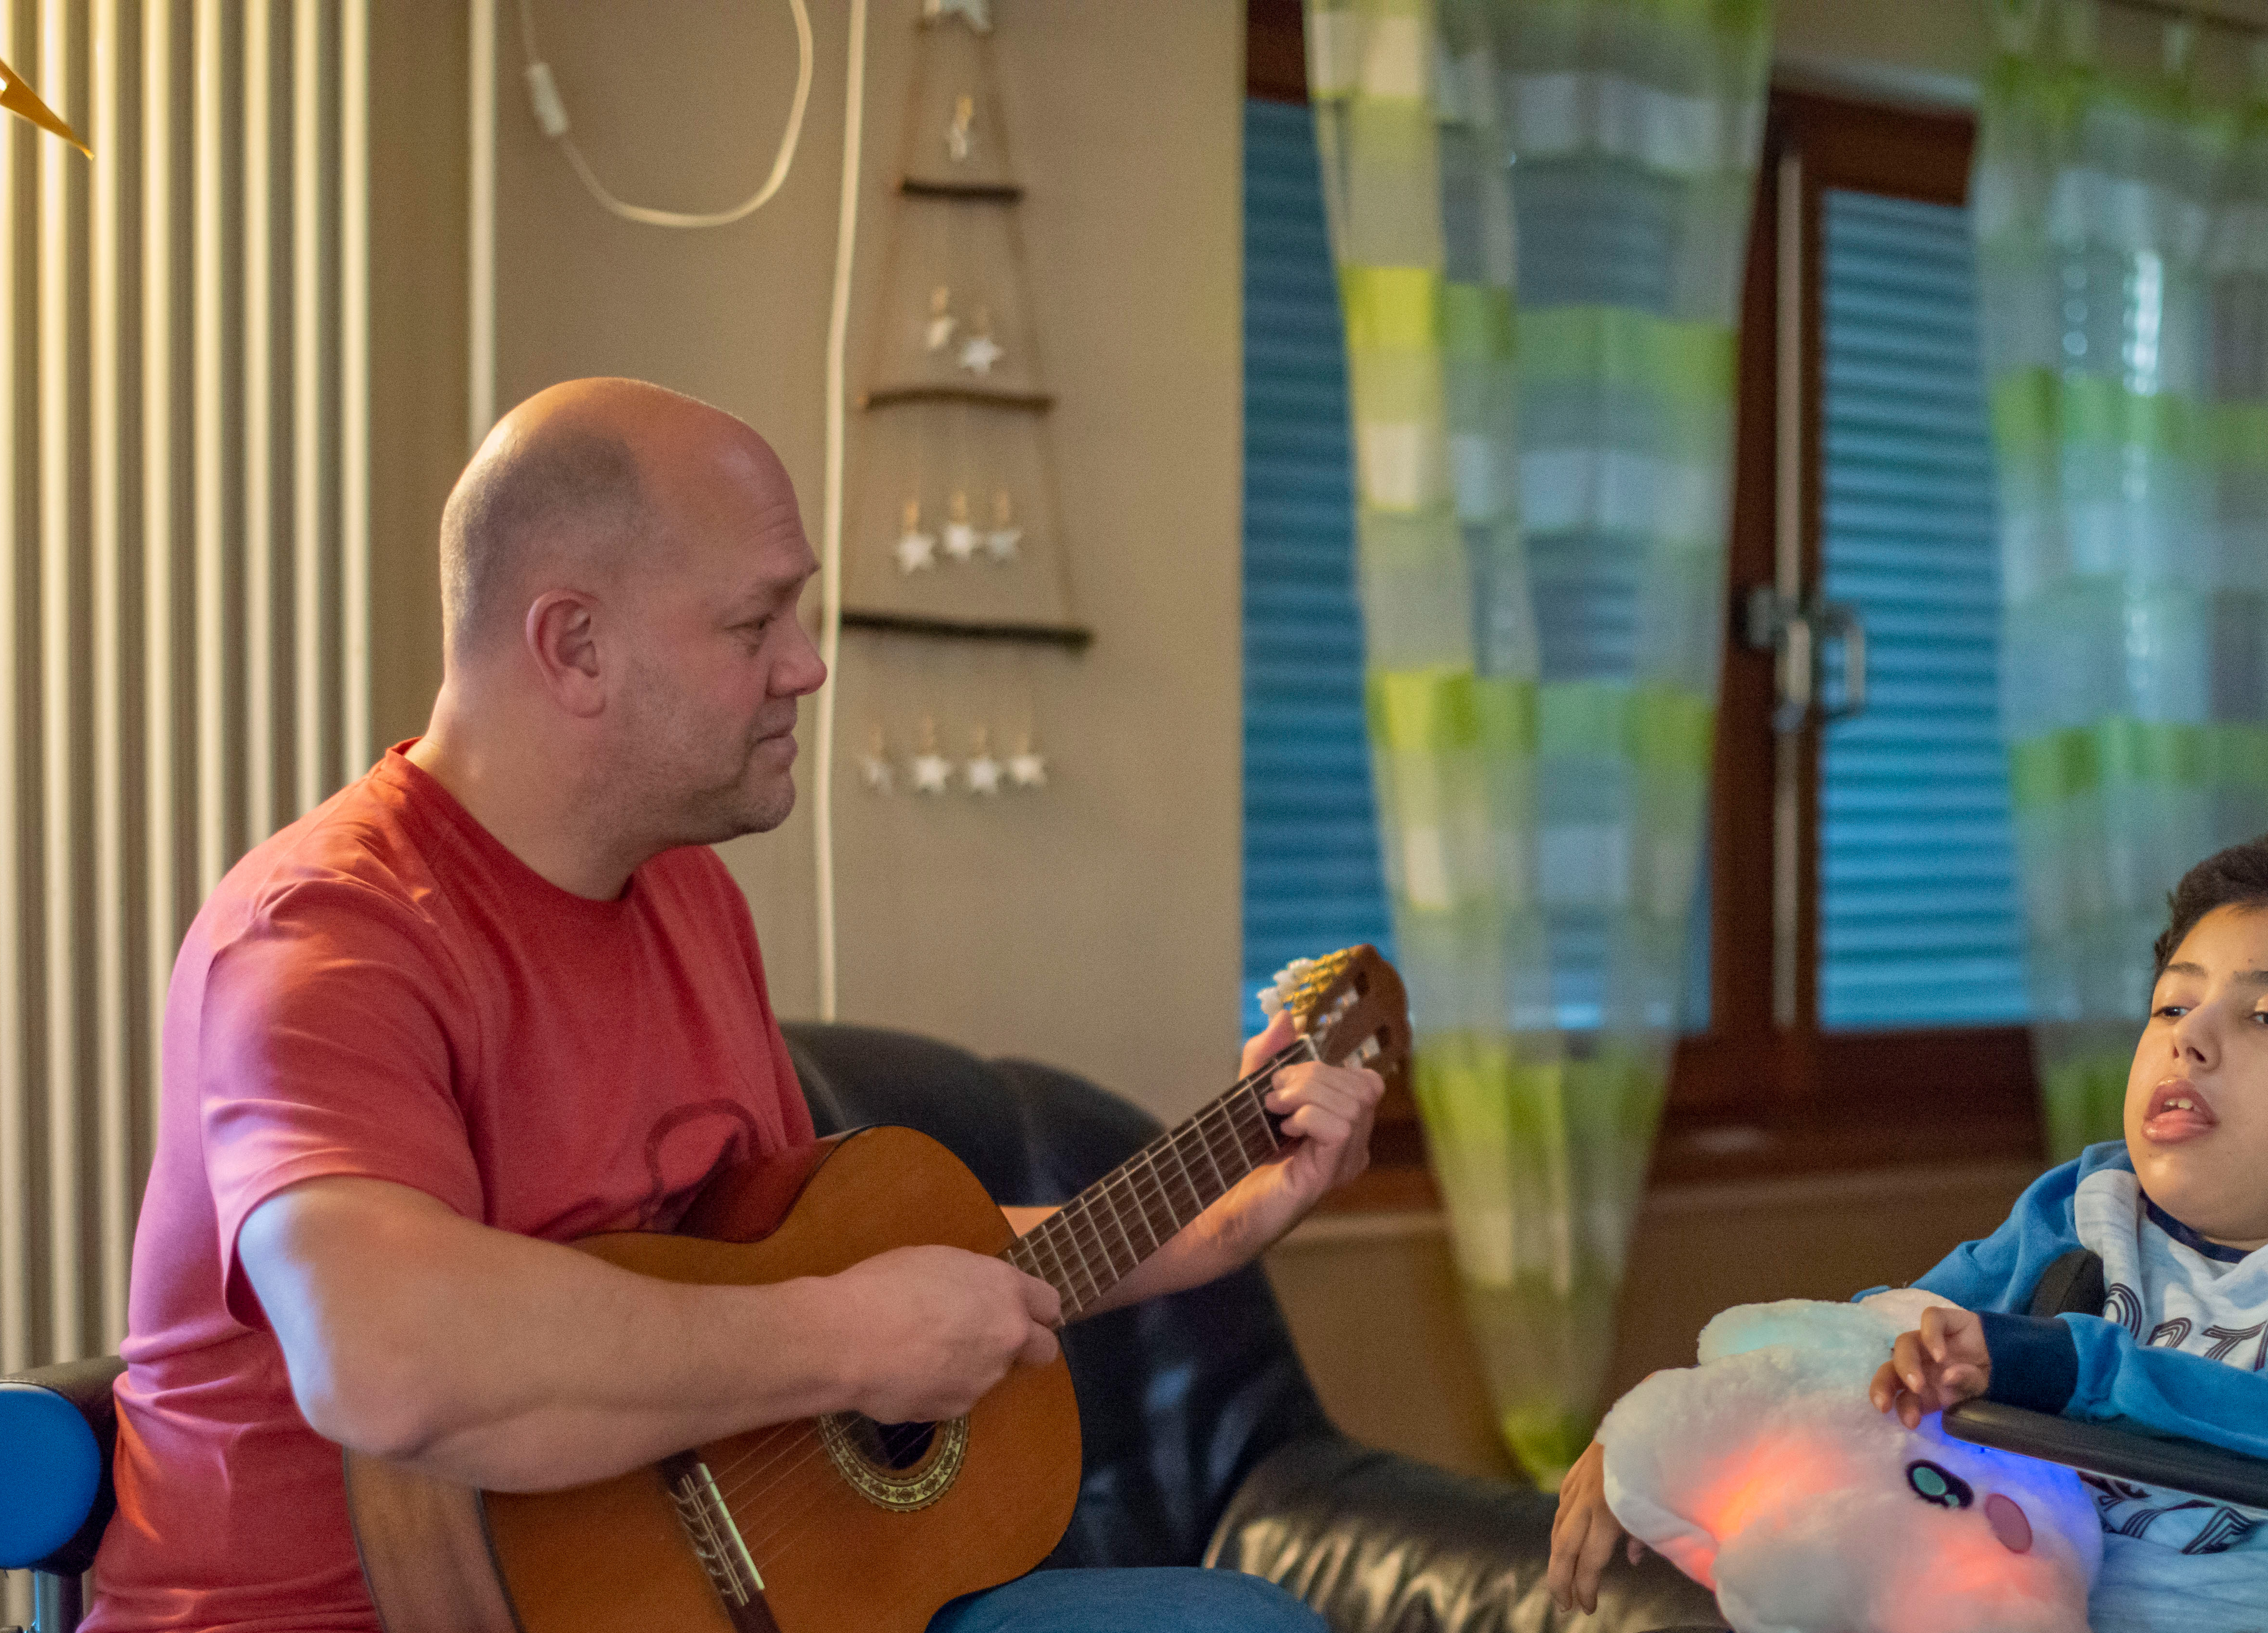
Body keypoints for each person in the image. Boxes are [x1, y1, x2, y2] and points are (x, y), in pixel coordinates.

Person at [90, 378, 1373, 1633]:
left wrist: (1208, 1217)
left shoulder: (687, 894)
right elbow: (385, 1358)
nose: (806, 667)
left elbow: (809, 1277)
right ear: (574, 646)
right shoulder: (327, 936)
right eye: (754, 624)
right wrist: (844, 1338)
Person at [1549, 834, 2268, 1632]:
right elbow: (1882, 1342)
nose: (2191, 1039)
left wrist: (2078, 1369)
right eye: (2171, 1006)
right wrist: (1667, 1430)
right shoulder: (2087, 1204)